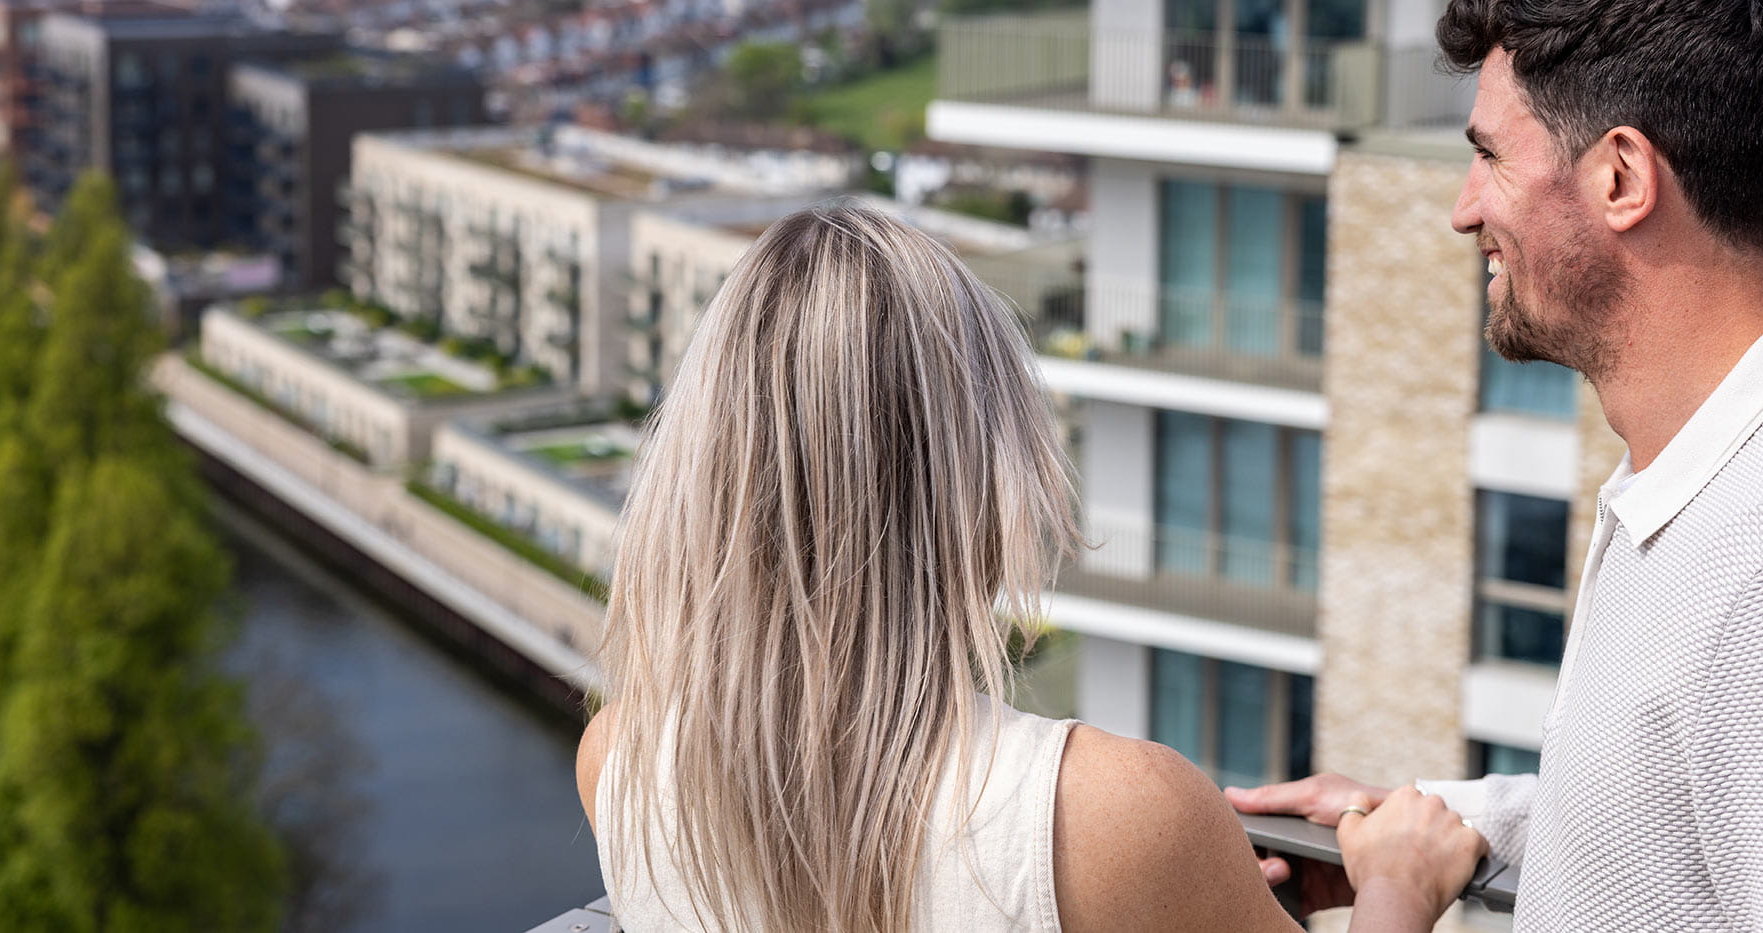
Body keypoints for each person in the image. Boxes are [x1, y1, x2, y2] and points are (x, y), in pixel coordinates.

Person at [575, 203, 1487, 931]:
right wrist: (1399, 892)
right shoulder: (1113, 808)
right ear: (978, 474)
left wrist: (1177, 889)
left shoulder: (618, 755)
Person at [1230, 0, 1763, 929]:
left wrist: (1395, 900)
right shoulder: (1713, 492)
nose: (1464, 208)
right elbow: (1691, 821)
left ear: (1622, 176)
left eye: (1492, 155)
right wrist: (1453, 826)